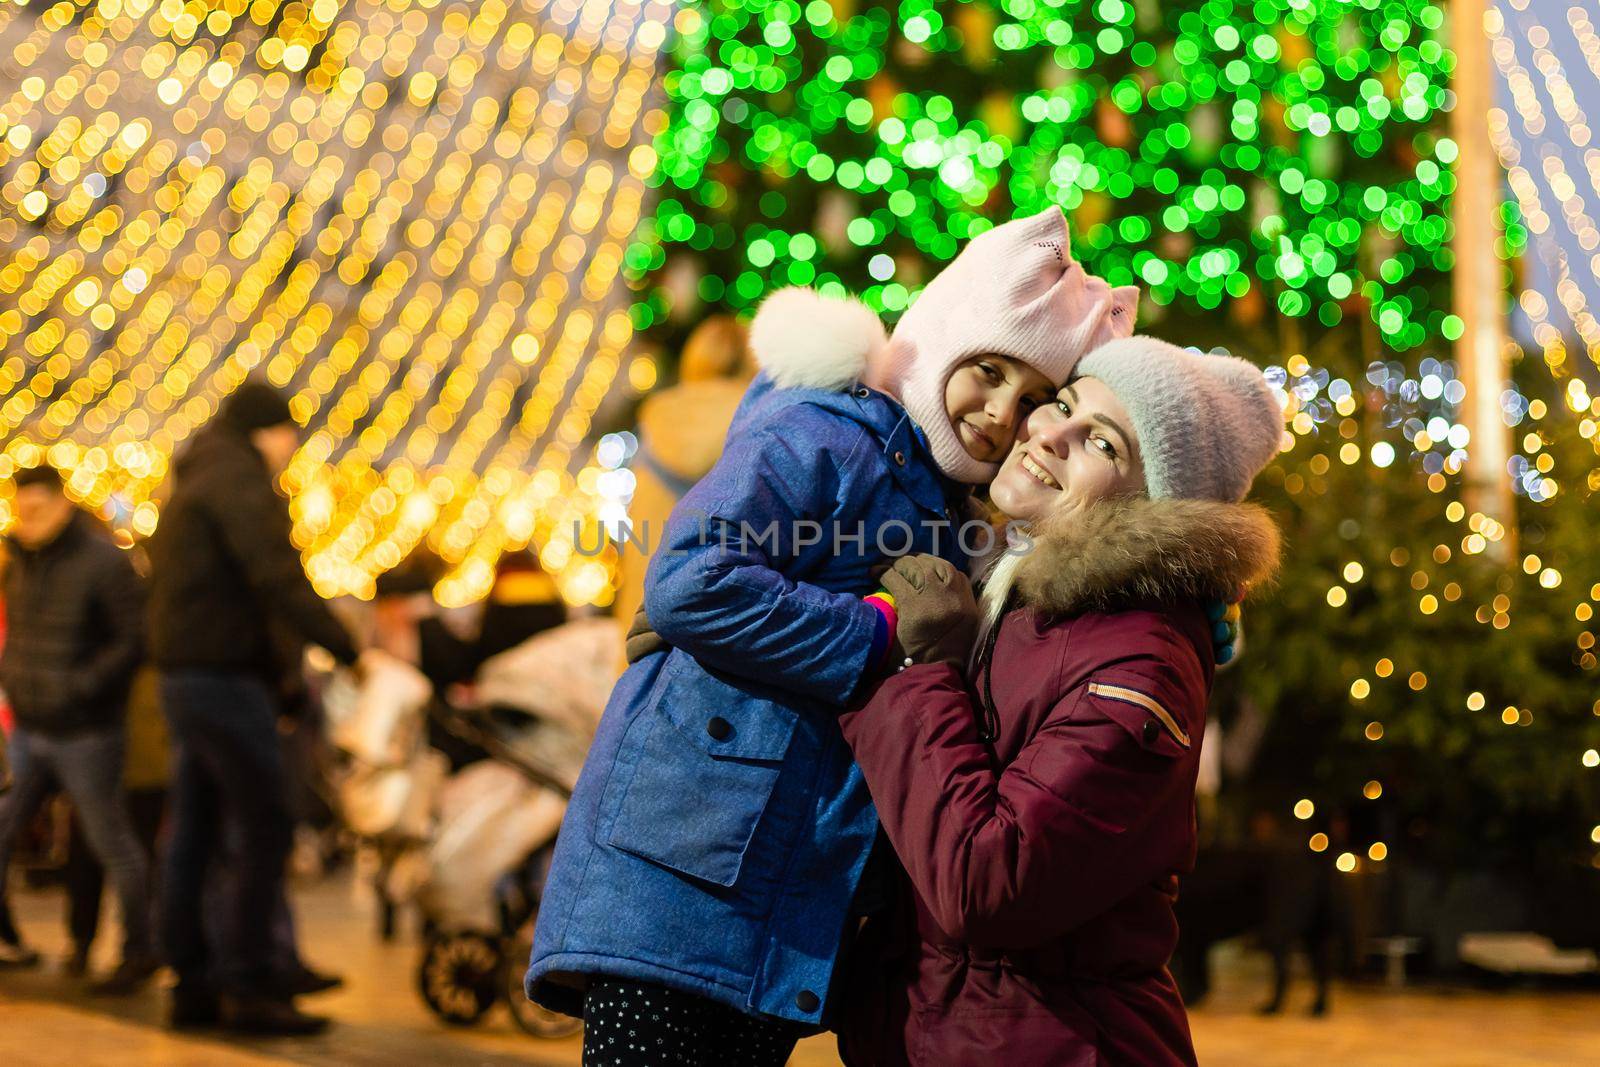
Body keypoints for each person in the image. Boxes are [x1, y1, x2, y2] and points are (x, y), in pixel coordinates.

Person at [527, 206, 1138, 1064]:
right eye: (989, 372)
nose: (1001, 413)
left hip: (776, 897)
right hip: (682, 877)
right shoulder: (821, 432)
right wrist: (880, 633)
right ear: (942, 338)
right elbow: (693, 579)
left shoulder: (949, 504)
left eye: (1033, 398)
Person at [835, 336, 1283, 1065]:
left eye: (1100, 442)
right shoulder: (1018, 592)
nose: (1048, 431)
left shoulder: (1142, 662)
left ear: (1153, 506)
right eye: (1065, 405)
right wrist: (733, 616)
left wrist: (921, 670)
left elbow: (989, 882)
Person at [147, 381, 360, 1035]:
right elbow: (275, 573)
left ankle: (193, 980)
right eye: (289, 437)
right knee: (265, 825)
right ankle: (248, 983)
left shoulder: (196, 474)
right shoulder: (238, 479)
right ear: (268, 431)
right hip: (222, 677)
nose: (289, 453)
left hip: (187, 675)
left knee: (197, 829)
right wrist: (346, 646)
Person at [0, 465, 155, 992]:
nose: (28, 520)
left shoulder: (103, 562)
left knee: (111, 842)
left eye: (38, 508)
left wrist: (82, 687)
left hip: (87, 731)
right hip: (29, 726)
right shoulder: (19, 561)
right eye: (22, 510)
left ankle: (140, 949)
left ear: (62, 503)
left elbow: (132, 638)